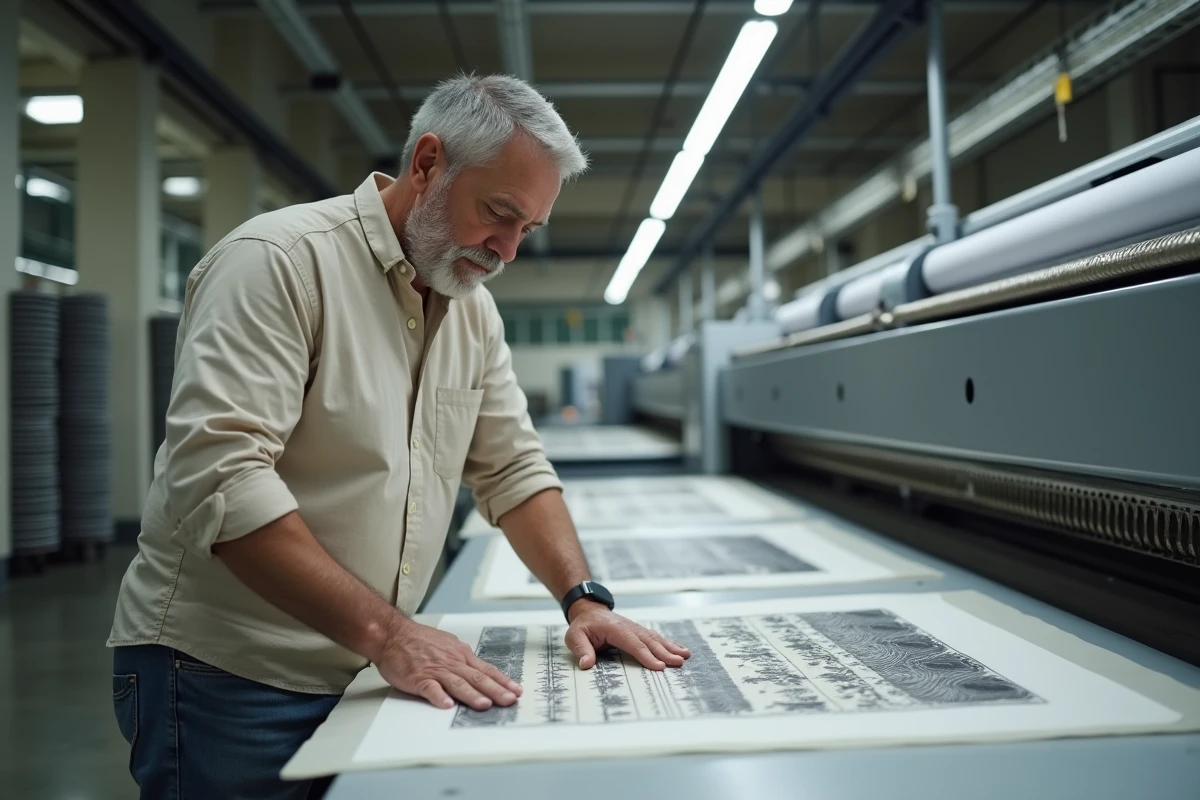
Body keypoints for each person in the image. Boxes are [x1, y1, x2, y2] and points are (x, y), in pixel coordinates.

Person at [107, 74, 690, 800]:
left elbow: (513, 468)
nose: (506, 250)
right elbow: (220, 482)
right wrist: (389, 636)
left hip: (362, 664)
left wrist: (584, 601)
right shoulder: (280, 263)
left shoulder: (470, 311)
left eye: (527, 230)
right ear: (427, 164)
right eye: (498, 213)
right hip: (232, 677)